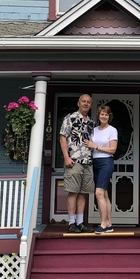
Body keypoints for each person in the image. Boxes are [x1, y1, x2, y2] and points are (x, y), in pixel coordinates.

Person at [59, 94, 95, 233]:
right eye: (83, 101)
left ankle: (80, 223)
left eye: (88, 102)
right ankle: (71, 223)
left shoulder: (91, 123)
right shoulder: (70, 118)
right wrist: (66, 157)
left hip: (88, 161)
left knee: (83, 193)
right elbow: (63, 138)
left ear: (90, 105)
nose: (86, 104)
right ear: (78, 103)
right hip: (74, 160)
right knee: (73, 192)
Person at [85, 105, 118, 234]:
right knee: (104, 194)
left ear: (109, 117)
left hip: (106, 162)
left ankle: (103, 224)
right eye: (102, 114)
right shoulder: (94, 130)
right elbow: (88, 145)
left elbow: (112, 150)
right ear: (98, 116)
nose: (104, 116)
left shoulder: (112, 130)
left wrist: (96, 147)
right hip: (95, 162)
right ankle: (109, 224)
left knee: (98, 193)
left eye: (106, 114)